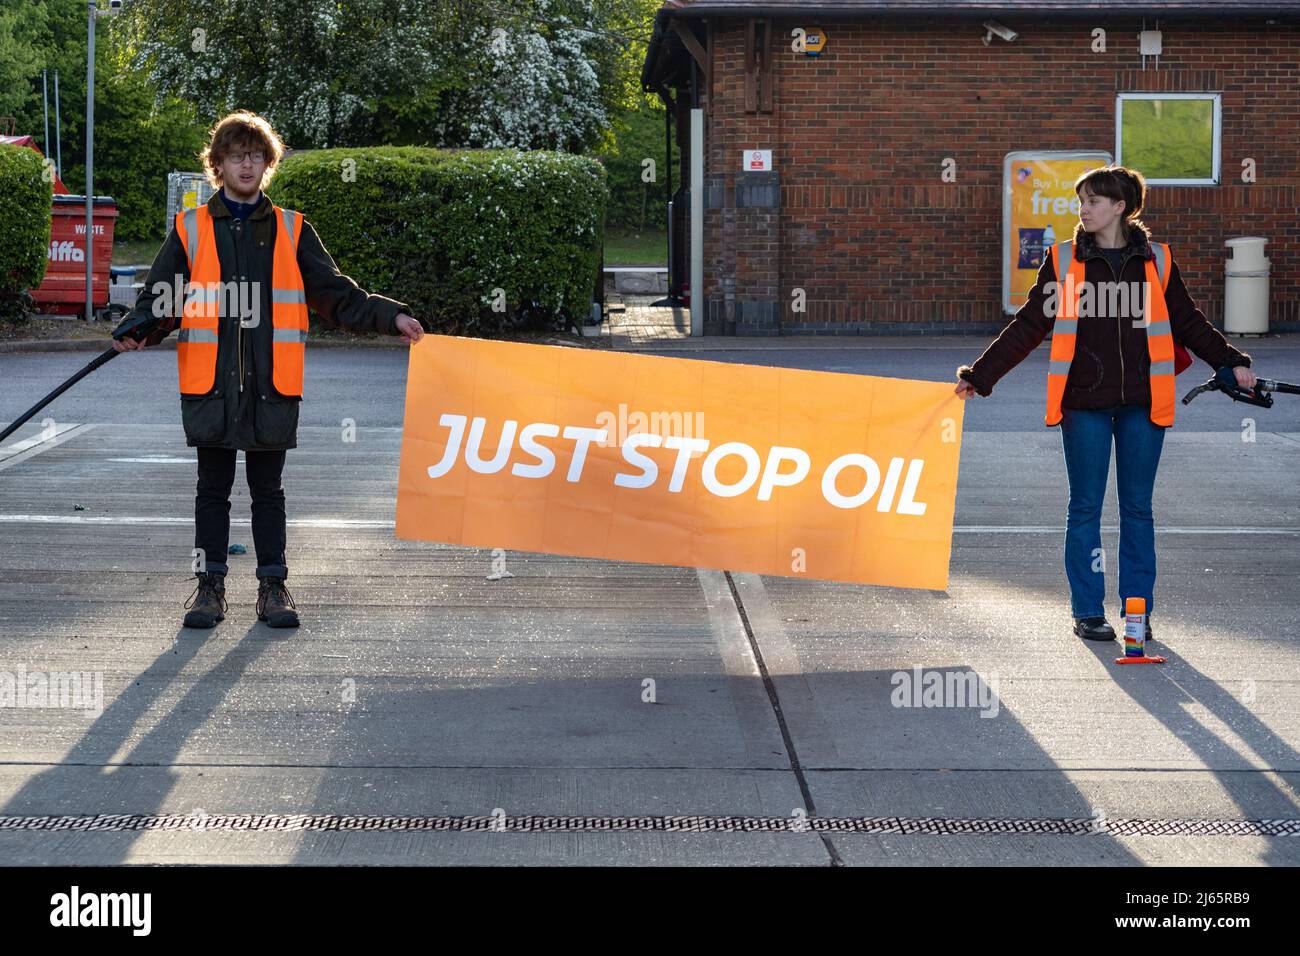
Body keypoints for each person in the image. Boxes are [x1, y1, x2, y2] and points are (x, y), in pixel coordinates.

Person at [112, 110, 426, 630]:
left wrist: (389, 315)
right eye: (236, 156)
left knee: (268, 491)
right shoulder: (190, 229)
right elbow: (161, 297)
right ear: (218, 165)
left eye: (256, 156)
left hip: (270, 386)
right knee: (211, 489)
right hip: (210, 385)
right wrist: (137, 329)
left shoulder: (291, 229)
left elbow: (335, 293)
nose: (247, 164)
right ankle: (209, 589)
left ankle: (272, 587)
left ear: (268, 164)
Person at [954, 164, 1259, 642]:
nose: (1084, 209)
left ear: (1120, 207)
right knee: (1085, 509)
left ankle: (1137, 612)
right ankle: (1088, 612)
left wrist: (1232, 361)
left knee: (1138, 509)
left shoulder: (1156, 261)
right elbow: (1030, 325)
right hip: (1084, 404)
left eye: (1093, 201)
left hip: (1143, 403)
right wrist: (982, 375)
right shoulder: (1065, 261)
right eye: (1081, 201)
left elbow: (1188, 321)